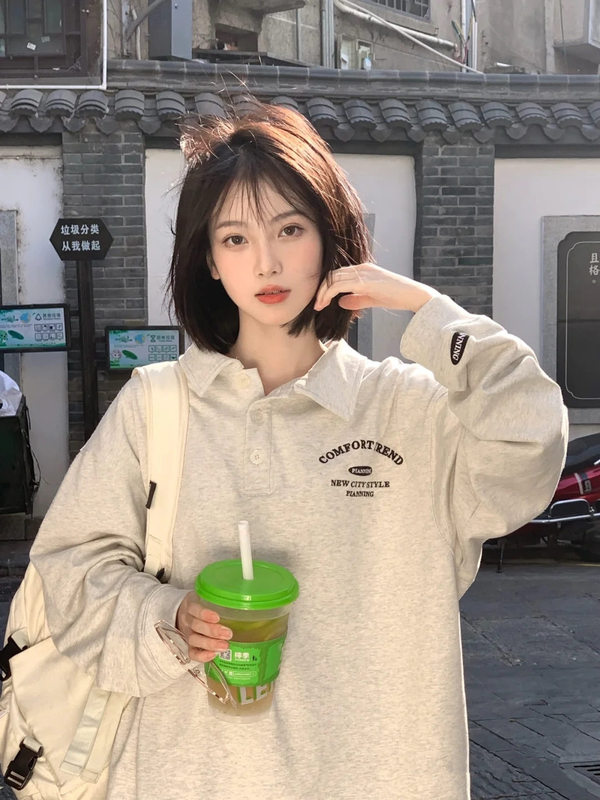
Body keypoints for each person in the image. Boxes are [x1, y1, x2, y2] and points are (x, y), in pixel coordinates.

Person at [29, 100, 568, 800]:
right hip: (191, 775)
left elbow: (530, 443)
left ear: (329, 237)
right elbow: (71, 568)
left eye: (290, 228)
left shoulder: (408, 409)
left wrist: (433, 315)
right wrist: (167, 619)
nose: (267, 261)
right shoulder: (158, 405)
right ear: (209, 261)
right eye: (235, 238)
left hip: (379, 774)